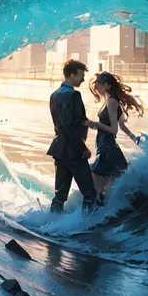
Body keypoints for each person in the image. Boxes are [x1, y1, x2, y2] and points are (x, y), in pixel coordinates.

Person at [47, 59, 98, 214]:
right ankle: (88, 225)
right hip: (73, 150)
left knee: (60, 195)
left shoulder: (54, 95)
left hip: (59, 149)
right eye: (80, 75)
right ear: (72, 74)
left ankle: (52, 222)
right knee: (90, 193)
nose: (82, 79)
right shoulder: (73, 95)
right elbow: (69, 125)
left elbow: (63, 123)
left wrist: (87, 122)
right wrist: (83, 148)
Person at [86, 72, 144, 205]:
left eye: (99, 85)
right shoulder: (109, 101)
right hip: (106, 148)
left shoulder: (111, 102)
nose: (97, 88)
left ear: (107, 85)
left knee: (97, 190)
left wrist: (96, 124)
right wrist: (134, 138)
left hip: (106, 149)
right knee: (105, 191)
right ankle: (106, 215)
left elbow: (114, 129)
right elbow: (121, 125)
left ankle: (94, 217)